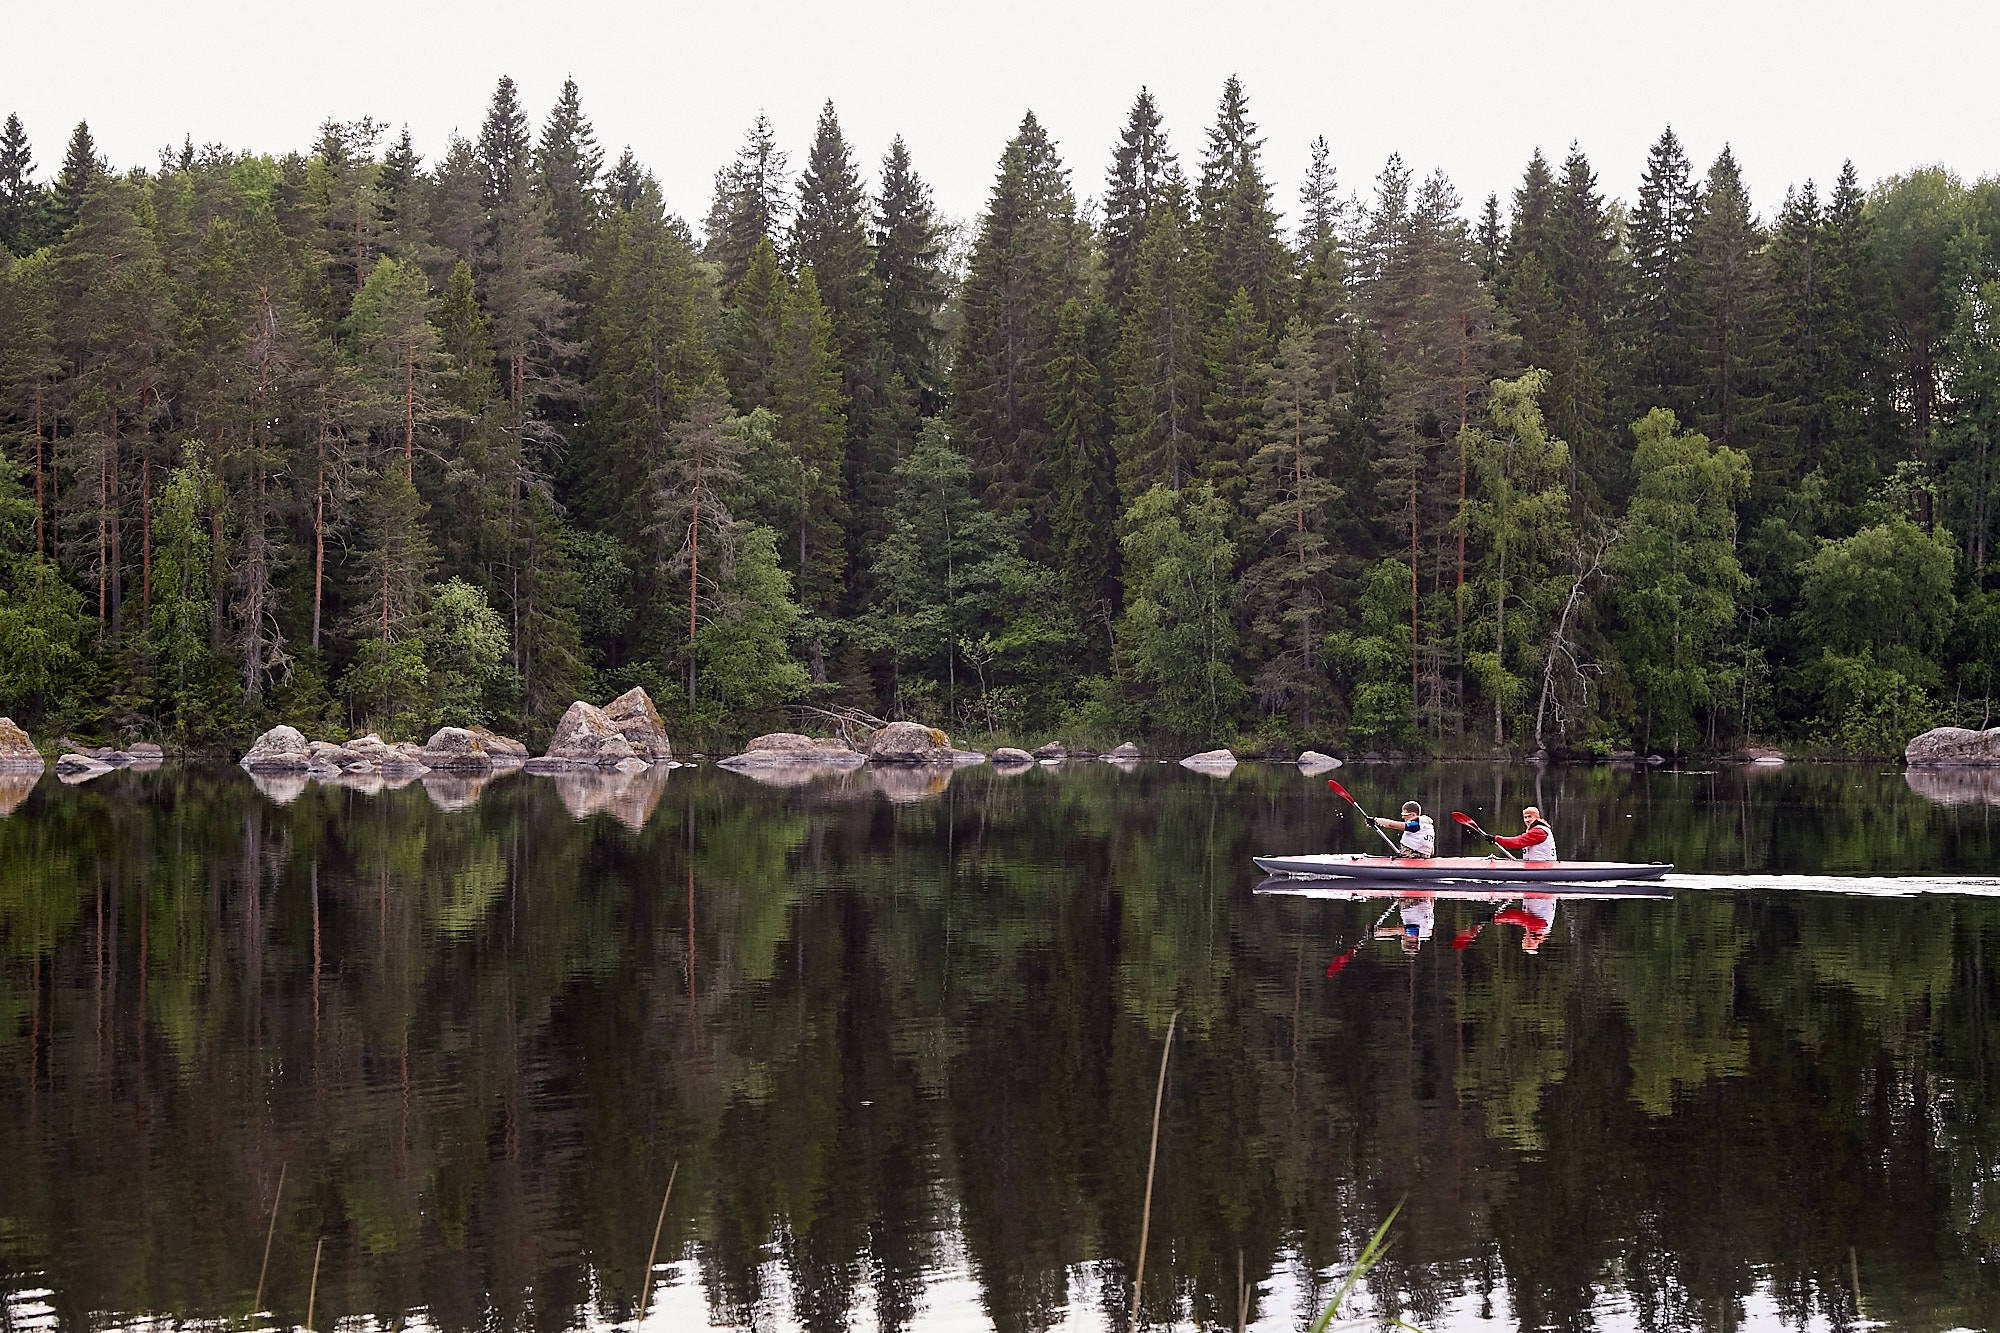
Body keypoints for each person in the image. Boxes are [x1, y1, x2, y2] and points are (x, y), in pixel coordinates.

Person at [1493, 894, 1558, 953]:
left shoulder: (1534, 929)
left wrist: (1500, 918)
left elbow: (1518, 918)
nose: (1525, 940)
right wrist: (1499, 918)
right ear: (1536, 942)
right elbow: (1517, 917)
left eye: (1525, 942)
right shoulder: (1540, 927)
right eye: (1528, 943)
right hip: (1540, 891)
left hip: (1534, 892)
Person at [1491, 805, 1558, 862]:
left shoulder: (1539, 831)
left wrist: (1496, 839)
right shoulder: (1538, 829)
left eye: (1529, 816)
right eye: (1525, 817)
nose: (1527, 820)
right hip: (1538, 865)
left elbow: (1518, 842)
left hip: (1542, 866)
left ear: (1536, 817)